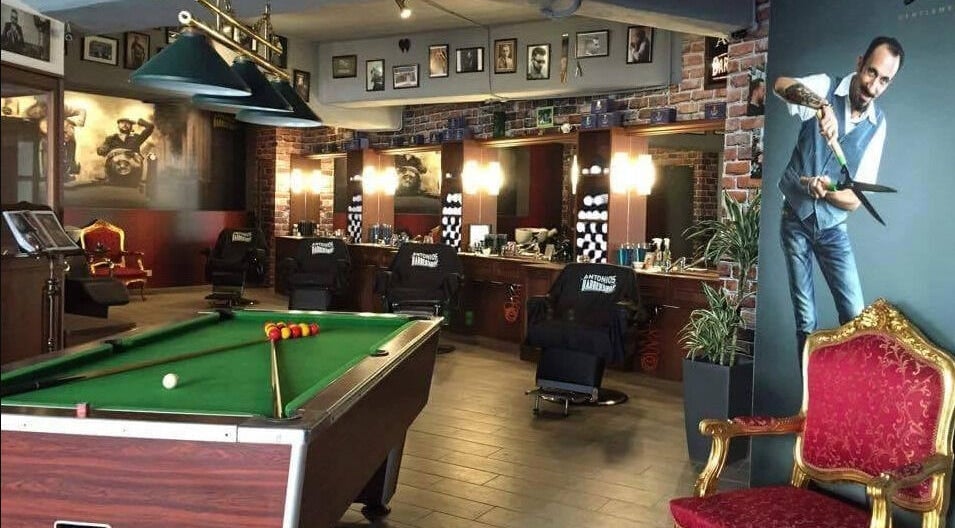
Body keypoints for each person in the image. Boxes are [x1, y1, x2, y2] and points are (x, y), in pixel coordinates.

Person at [773, 36, 903, 362]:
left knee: (855, 318)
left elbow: (855, 200)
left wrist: (827, 190)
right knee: (806, 321)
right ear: (860, 63)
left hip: (833, 230)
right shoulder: (825, 86)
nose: (874, 85)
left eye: (884, 80)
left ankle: (845, 387)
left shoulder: (877, 125)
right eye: (871, 72)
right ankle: (809, 391)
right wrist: (821, 106)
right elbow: (780, 85)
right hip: (795, 220)